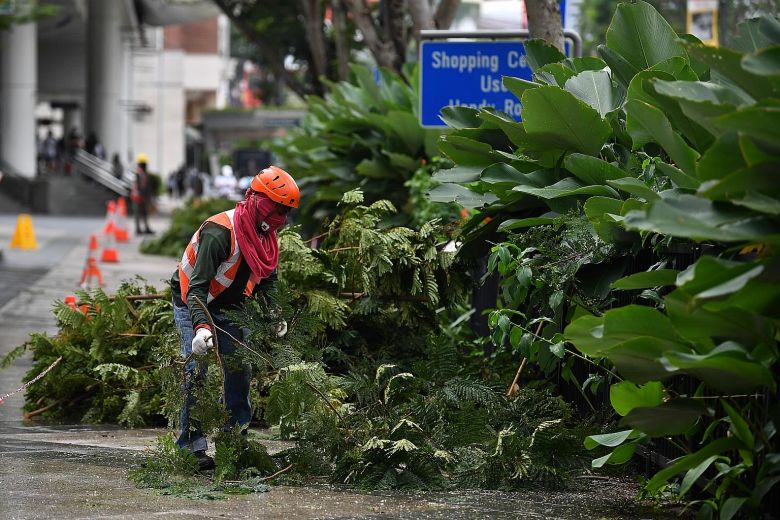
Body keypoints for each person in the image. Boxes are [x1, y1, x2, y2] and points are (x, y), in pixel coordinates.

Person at [170, 165, 299, 470]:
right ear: (254, 198)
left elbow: (268, 279)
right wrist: (201, 328)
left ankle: (234, 440)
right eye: (274, 207)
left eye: (283, 211)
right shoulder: (220, 231)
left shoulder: (267, 236)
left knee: (239, 369)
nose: (277, 216)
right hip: (193, 301)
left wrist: (274, 311)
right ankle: (191, 447)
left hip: (230, 306)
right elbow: (196, 288)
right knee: (196, 373)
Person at [132, 153, 154, 235]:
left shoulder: (142, 173)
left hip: (141, 197)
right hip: (138, 197)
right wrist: (144, 196)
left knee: (144, 213)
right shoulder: (139, 173)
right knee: (138, 213)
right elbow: (139, 186)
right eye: (144, 164)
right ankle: (138, 229)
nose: (146, 166)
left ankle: (146, 228)